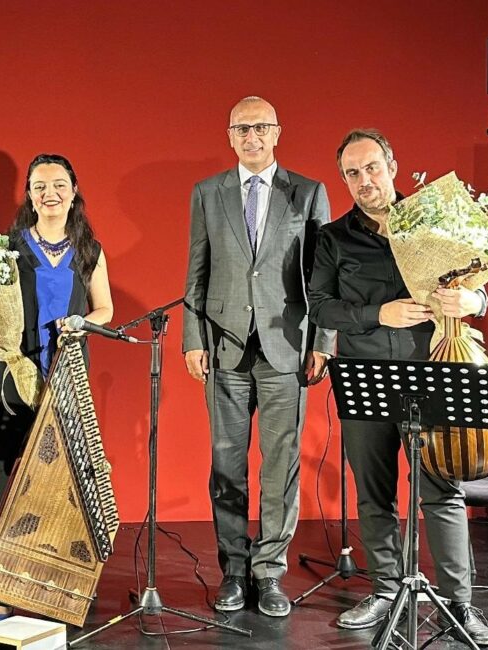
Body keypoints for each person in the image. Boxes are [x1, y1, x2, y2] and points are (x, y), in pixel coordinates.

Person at [307, 128, 488, 646]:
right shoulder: (332, 237)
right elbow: (319, 306)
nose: (364, 181)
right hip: (365, 374)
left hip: (435, 369)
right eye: (352, 173)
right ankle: (387, 588)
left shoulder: (436, 222)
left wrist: (472, 304)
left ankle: (460, 603)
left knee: (442, 491)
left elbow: (480, 290)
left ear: (391, 163)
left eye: (371, 167)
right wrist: (376, 313)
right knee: (374, 494)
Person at [182, 96, 334, 618]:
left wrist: (322, 343)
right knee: (226, 466)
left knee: (279, 469)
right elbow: (195, 273)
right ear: (229, 136)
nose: (252, 136)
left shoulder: (308, 193)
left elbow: (323, 279)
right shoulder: (207, 193)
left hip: (285, 350)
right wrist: (192, 339)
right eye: (242, 128)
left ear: (277, 132)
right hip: (224, 348)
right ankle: (233, 570)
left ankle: (269, 573)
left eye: (261, 127)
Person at [0, 153, 114, 622]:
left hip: (68, 377)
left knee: (65, 484)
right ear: (29, 194)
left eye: (58, 184)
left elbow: (105, 310)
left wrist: (82, 324)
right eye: (39, 186)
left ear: (74, 191)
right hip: (15, 377)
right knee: (14, 480)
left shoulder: (90, 249)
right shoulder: (9, 247)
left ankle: (57, 588)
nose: (48, 193)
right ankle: (3, 592)